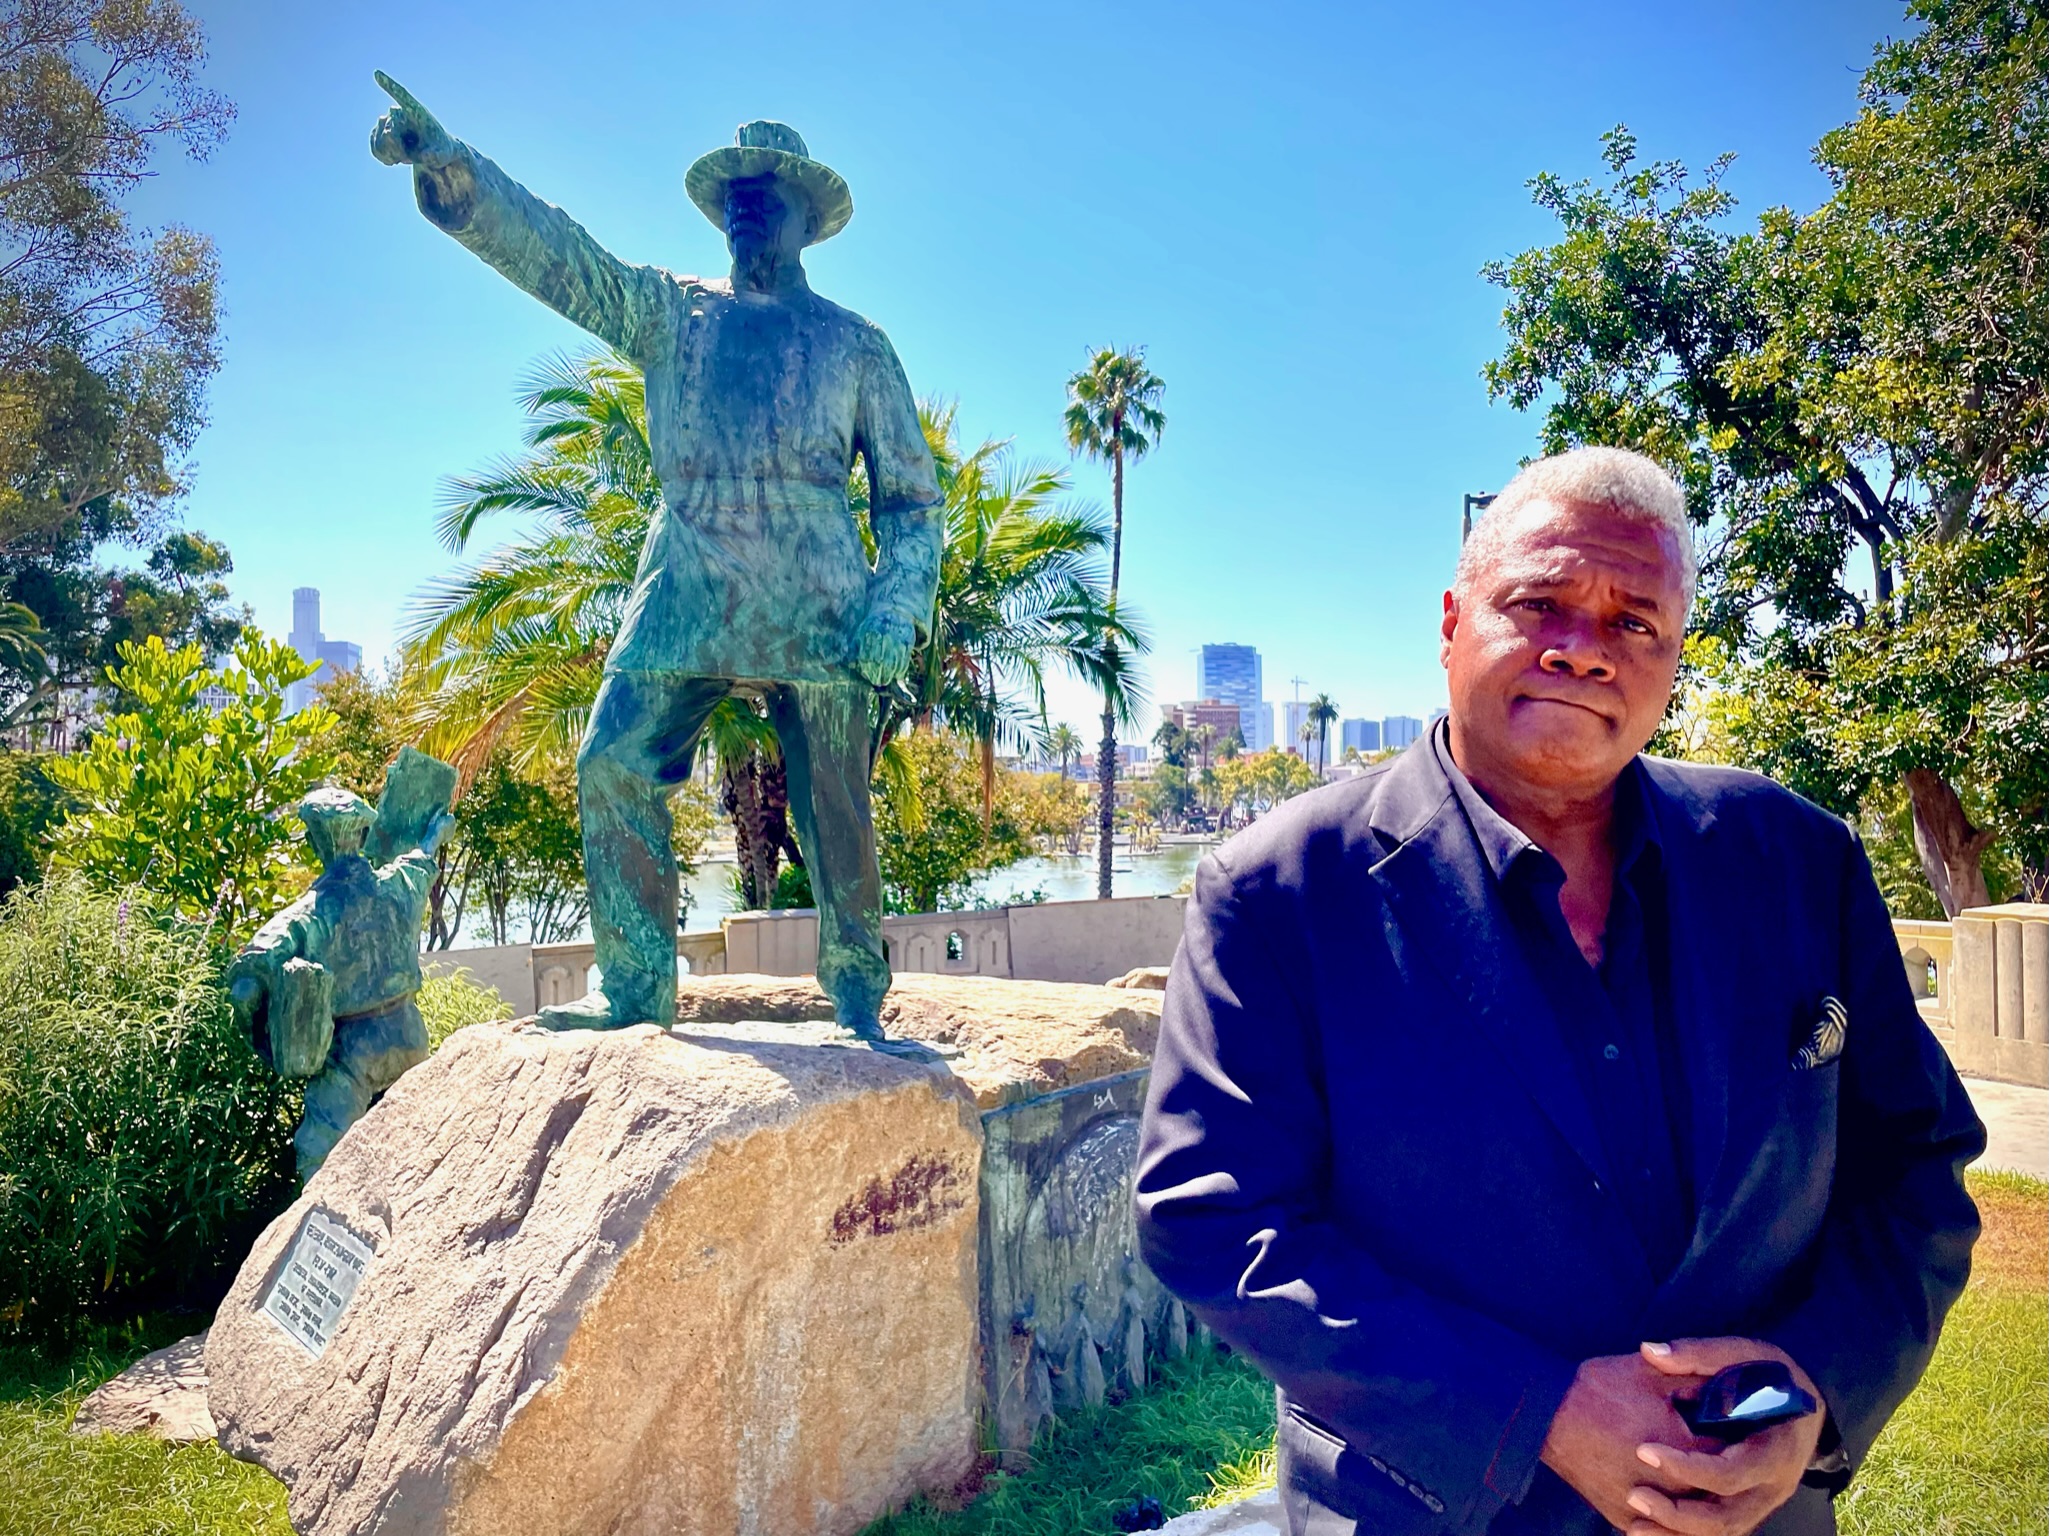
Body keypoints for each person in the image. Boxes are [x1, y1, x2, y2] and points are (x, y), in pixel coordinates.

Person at [1134, 447, 1984, 1536]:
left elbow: (1915, 1164)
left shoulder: (1797, 863)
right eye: (1540, 603)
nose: (1585, 650)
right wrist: (1531, 1412)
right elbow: (1213, 1220)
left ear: (1674, 659)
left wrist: (1818, 1389)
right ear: (1452, 621)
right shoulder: (1281, 889)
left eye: (1635, 622)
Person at [370, 78, 943, 1038]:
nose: (747, 202)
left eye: (768, 189)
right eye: (734, 193)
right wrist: (451, 169)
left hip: (822, 601)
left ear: (808, 217)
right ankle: (635, 989)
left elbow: (912, 503)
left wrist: (895, 608)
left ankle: (857, 994)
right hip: (685, 583)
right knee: (610, 763)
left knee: (837, 810)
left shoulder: (856, 346)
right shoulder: (669, 312)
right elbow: (561, 256)